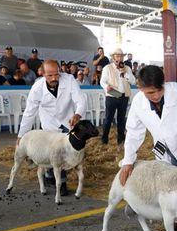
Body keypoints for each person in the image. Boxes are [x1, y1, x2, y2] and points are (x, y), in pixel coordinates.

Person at [119, 64, 177, 184]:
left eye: (160, 90)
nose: (157, 95)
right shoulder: (138, 103)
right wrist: (127, 161)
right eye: (151, 92)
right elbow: (133, 133)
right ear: (140, 87)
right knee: (166, 186)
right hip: (162, 150)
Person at [18, 60, 87, 196]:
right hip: (49, 123)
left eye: (57, 74)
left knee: (68, 149)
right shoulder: (37, 88)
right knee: (53, 151)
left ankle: (52, 177)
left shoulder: (69, 80)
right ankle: (59, 180)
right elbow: (29, 113)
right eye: (50, 75)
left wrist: (78, 114)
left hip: (68, 120)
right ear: (42, 73)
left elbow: (80, 99)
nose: (54, 78)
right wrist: (21, 136)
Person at [100, 48, 136, 146]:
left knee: (121, 119)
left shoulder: (127, 68)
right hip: (112, 94)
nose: (119, 58)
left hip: (123, 96)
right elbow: (102, 81)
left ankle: (121, 140)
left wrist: (125, 73)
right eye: (117, 56)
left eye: (121, 56)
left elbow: (133, 81)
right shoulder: (107, 68)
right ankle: (104, 140)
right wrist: (106, 86)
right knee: (108, 119)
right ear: (113, 57)